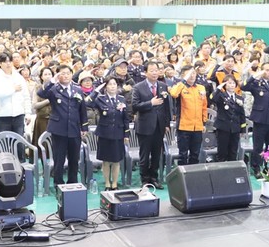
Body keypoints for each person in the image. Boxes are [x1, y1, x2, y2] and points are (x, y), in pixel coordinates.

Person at [38, 64, 88, 187]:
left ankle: (72, 182)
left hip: (74, 129)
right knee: (59, 159)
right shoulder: (53, 89)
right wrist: (52, 81)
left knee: (74, 159)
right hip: (59, 129)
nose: (65, 76)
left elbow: (82, 110)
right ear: (58, 75)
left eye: (68, 73)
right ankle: (58, 184)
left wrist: (84, 127)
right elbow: (41, 93)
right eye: (63, 73)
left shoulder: (78, 90)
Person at [242, 62, 269, 178]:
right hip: (260, 119)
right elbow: (243, 86)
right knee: (258, 146)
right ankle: (256, 167)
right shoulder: (256, 83)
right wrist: (255, 75)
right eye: (266, 70)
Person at [131, 61, 171, 189]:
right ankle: (144, 179)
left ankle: (154, 178)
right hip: (145, 126)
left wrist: (167, 124)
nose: (155, 73)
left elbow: (166, 107)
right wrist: (150, 103)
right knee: (144, 155)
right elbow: (135, 106)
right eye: (152, 70)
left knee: (156, 154)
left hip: (159, 126)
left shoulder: (163, 86)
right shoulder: (138, 87)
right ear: (145, 72)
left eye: (156, 70)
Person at [87, 78, 130, 190]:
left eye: (114, 84)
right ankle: (107, 183)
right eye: (110, 84)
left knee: (116, 161)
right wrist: (96, 91)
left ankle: (114, 183)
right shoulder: (100, 99)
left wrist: (126, 134)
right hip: (104, 134)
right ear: (105, 87)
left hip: (118, 133)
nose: (112, 86)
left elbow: (126, 118)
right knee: (105, 161)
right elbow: (87, 102)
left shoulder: (121, 99)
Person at [169, 65, 208, 166]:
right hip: (184, 126)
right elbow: (174, 94)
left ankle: (193, 173)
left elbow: (204, 106)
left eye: (194, 73)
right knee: (183, 154)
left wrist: (204, 122)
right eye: (189, 74)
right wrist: (183, 81)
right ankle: (182, 173)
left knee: (195, 154)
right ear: (183, 75)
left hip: (198, 126)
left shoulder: (201, 88)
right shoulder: (180, 87)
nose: (192, 76)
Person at [0, 52, 32, 137]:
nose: (8, 64)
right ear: (0, 63)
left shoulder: (19, 77)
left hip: (19, 115)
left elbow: (26, 96)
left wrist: (28, 113)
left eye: (10, 61)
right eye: (5, 62)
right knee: (4, 142)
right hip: (2, 116)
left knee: (19, 142)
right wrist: (13, 89)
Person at [210, 76, 246, 162]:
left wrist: (243, 129)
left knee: (233, 152)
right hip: (223, 128)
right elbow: (212, 98)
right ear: (225, 85)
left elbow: (242, 114)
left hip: (235, 128)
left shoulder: (239, 97)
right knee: (222, 152)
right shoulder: (221, 96)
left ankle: (232, 169)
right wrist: (219, 87)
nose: (232, 85)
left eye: (233, 83)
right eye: (229, 83)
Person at [32, 67, 53, 151]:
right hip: (42, 120)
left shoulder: (56, 87)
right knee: (43, 144)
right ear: (41, 77)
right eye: (45, 74)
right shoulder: (38, 88)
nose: (48, 76)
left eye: (49, 74)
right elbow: (35, 105)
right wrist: (48, 101)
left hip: (54, 120)